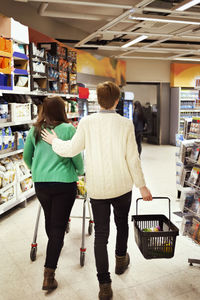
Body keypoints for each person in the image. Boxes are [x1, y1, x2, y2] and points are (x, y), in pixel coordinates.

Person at [41, 82, 152, 300]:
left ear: (97, 101)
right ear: (117, 101)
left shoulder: (87, 122)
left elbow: (71, 149)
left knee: (101, 235)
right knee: (122, 224)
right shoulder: (126, 124)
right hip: (122, 186)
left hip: (98, 189)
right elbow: (133, 159)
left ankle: (104, 284)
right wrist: (142, 185)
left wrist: (54, 141)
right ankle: (121, 261)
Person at [23, 96, 84, 291]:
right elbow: (77, 158)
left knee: (50, 219)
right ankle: (49, 275)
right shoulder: (68, 129)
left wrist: (37, 169)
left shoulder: (35, 129)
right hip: (64, 183)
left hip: (41, 184)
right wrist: (80, 171)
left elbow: (26, 156)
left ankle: (54, 245)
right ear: (62, 110)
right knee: (58, 226)